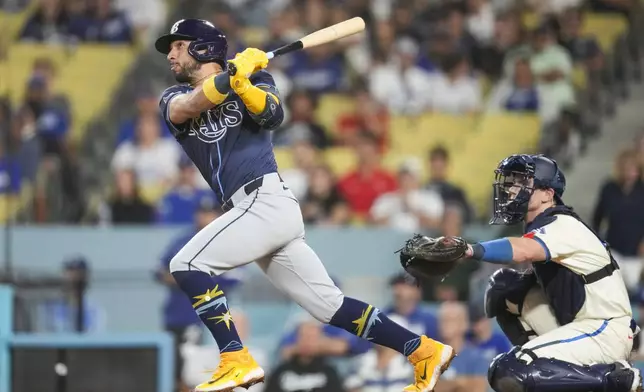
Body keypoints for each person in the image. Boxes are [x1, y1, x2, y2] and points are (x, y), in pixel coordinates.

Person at [154, 18, 454, 392]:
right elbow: (191, 105)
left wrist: (244, 82)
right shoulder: (170, 97)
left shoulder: (258, 80)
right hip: (253, 210)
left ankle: (235, 357)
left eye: (178, 45)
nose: (170, 54)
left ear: (203, 48)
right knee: (328, 305)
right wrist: (232, 78)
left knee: (186, 263)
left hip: (264, 200)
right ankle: (422, 350)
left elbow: (272, 114)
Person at [448, 154, 640, 392]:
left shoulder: (562, 224)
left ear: (548, 194)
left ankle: (614, 380)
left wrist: (469, 250)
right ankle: (547, 376)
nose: (511, 189)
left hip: (605, 330)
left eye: (522, 182)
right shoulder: (543, 224)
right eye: (511, 181)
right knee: (504, 289)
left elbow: (522, 250)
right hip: (579, 323)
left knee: (509, 369)